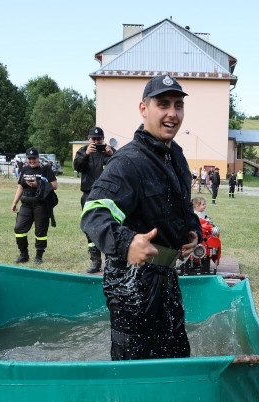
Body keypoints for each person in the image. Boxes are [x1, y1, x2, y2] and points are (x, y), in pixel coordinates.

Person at [80, 74, 202, 360]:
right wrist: (127, 242)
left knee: (176, 358)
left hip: (167, 277)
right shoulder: (128, 162)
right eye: (163, 104)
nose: (172, 113)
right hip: (130, 282)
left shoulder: (177, 157)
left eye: (178, 105)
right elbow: (93, 214)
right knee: (133, 368)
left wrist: (191, 229)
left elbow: (181, 206)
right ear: (143, 109)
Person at [73, 126, 116, 273]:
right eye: (94, 139)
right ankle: (96, 262)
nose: (96, 142)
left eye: (99, 139)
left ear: (103, 139)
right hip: (88, 194)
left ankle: (111, 262)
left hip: (107, 195)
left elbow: (120, 168)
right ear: (88, 139)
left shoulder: (108, 151)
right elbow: (77, 167)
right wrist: (85, 154)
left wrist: (112, 154)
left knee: (111, 226)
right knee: (90, 228)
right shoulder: (83, 151)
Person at [11, 147, 58, 265]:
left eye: (34, 158)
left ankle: (39, 256)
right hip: (26, 204)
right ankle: (23, 255)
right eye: (29, 158)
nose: (32, 161)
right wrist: (14, 202)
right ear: (27, 159)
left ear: (38, 158)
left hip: (41, 204)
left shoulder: (46, 169)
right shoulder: (24, 169)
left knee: (40, 232)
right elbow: (20, 187)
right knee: (19, 228)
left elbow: (54, 185)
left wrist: (38, 184)